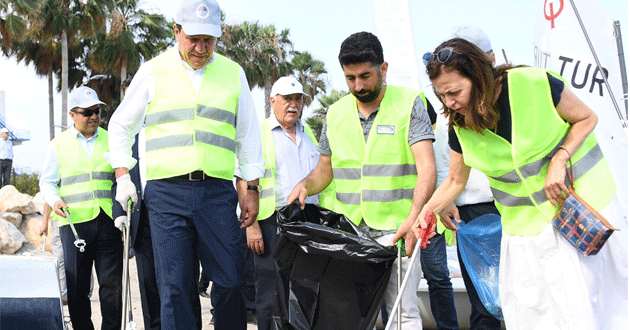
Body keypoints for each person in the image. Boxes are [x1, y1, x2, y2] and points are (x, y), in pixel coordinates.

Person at [406, 37, 628, 329]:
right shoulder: (459, 125)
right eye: (442, 95)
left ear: (478, 76)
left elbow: (586, 117)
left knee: (587, 311)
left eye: (455, 92)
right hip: (523, 233)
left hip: (578, 216)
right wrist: (425, 213)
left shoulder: (531, 82)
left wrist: (560, 159)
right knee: (532, 315)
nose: (450, 102)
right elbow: (455, 180)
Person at [106, 0, 264, 328]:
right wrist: (123, 175)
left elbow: (248, 138)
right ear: (176, 32)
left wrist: (251, 189)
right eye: (193, 38)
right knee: (176, 290)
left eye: (209, 40)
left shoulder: (233, 73)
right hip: (167, 195)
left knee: (231, 281)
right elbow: (121, 125)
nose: (201, 47)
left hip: (218, 194)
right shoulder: (153, 70)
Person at [287, 32, 458, 330]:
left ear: (384, 68)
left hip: (397, 230)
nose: (358, 85)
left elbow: (427, 170)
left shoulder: (410, 103)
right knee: (346, 316)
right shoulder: (336, 112)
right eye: (350, 78)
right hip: (349, 234)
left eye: (365, 76)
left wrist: (414, 219)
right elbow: (324, 171)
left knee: (402, 315)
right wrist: (305, 185)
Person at [434, 26, 502, 330]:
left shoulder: (513, 97)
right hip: (473, 214)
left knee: (526, 295)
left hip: (516, 210)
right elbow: (448, 172)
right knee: (483, 300)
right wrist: (441, 203)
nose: (450, 99)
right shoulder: (453, 112)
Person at [39, 86, 122, 330]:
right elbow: (47, 181)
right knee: (77, 286)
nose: (94, 117)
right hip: (73, 225)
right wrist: (55, 201)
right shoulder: (58, 145)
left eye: (97, 111)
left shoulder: (111, 140)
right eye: (87, 112)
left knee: (112, 285)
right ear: (73, 115)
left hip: (107, 221)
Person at [241, 76, 321, 330]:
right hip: (270, 222)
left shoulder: (308, 134)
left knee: (302, 291)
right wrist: (251, 226)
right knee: (269, 293)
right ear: (273, 100)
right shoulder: (259, 132)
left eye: (298, 100)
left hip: (306, 222)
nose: (293, 105)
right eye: (287, 99)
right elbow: (243, 180)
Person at [109, 75, 161, 330]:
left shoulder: (162, 131)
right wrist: (119, 213)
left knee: (176, 286)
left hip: (173, 215)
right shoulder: (123, 139)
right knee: (149, 287)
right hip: (142, 222)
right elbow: (115, 180)